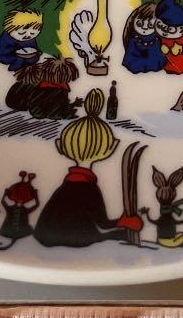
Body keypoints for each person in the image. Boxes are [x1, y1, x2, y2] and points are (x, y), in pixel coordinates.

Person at [33, 88, 143, 247]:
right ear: (111, 148)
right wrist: (125, 221)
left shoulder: (64, 188)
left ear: (60, 146)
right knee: (119, 235)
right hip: (76, 239)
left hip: (46, 237)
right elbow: (103, 223)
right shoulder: (90, 189)